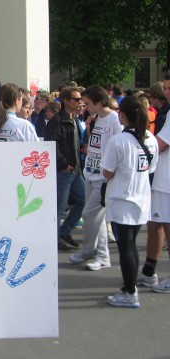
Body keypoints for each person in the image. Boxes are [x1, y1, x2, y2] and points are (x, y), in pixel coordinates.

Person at [101, 96, 159, 307]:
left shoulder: (118, 141)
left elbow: (107, 172)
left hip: (122, 199)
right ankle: (130, 286)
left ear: (122, 115)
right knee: (131, 245)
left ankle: (130, 292)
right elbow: (151, 169)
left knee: (125, 247)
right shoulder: (151, 139)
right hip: (141, 198)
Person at [68, 85, 122, 270]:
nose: (85, 107)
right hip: (91, 171)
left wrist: (111, 171)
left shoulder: (114, 120)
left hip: (104, 176)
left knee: (91, 214)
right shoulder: (96, 118)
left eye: (88, 103)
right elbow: (97, 142)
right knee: (96, 216)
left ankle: (98, 253)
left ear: (99, 103)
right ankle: (93, 251)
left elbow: (117, 147)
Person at [139, 72, 170, 292]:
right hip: (161, 179)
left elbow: (160, 145)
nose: (167, 93)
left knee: (166, 227)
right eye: (166, 88)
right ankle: (149, 271)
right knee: (155, 223)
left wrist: (132, 141)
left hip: (166, 181)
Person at [45, 86, 85, 251]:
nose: (79, 102)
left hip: (75, 169)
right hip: (65, 170)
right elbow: (52, 145)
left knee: (83, 200)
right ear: (66, 101)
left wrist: (82, 147)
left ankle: (65, 231)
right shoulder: (57, 121)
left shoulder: (74, 119)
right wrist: (63, 164)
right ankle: (55, 241)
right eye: (76, 99)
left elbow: (72, 142)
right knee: (59, 208)